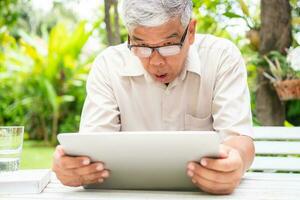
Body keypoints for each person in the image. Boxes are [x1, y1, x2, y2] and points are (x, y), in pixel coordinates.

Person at [52, 0, 255, 195]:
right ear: (130, 36)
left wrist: (235, 162)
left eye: (168, 45)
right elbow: (92, 148)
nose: (156, 61)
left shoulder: (221, 58)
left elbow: (238, 139)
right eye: (141, 46)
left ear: (191, 31)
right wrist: (73, 168)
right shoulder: (108, 66)